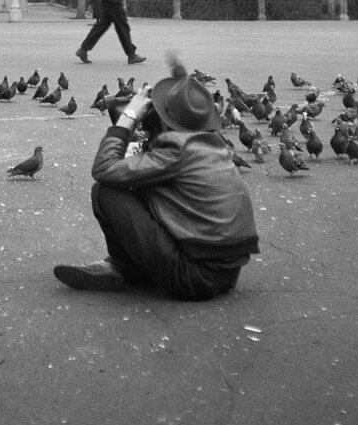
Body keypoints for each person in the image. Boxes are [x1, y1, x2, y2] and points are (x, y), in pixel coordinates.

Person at [53, 65, 260, 298]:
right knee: (137, 186)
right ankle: (133, 267)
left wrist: (128, 117)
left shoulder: (178, 149)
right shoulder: (209, 145)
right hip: (225, 273)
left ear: (167, 121)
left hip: (195, 276)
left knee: (106, 191)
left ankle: (122, 268)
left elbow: (104, 169)